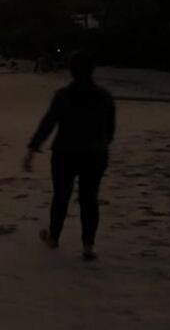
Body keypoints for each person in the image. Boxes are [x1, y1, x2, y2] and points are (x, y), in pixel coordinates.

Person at [23, 51, 116, 260]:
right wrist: (100, 144)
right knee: (89, 198)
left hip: (65, 152)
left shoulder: (63, 95)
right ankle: (88, 246)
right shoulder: (104, 96)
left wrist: (32, 149)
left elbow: (48, 123)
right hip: (95, 154)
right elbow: (110, 129)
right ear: (92, 70)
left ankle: (54, 237)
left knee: (61, 196)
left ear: (71, 71)